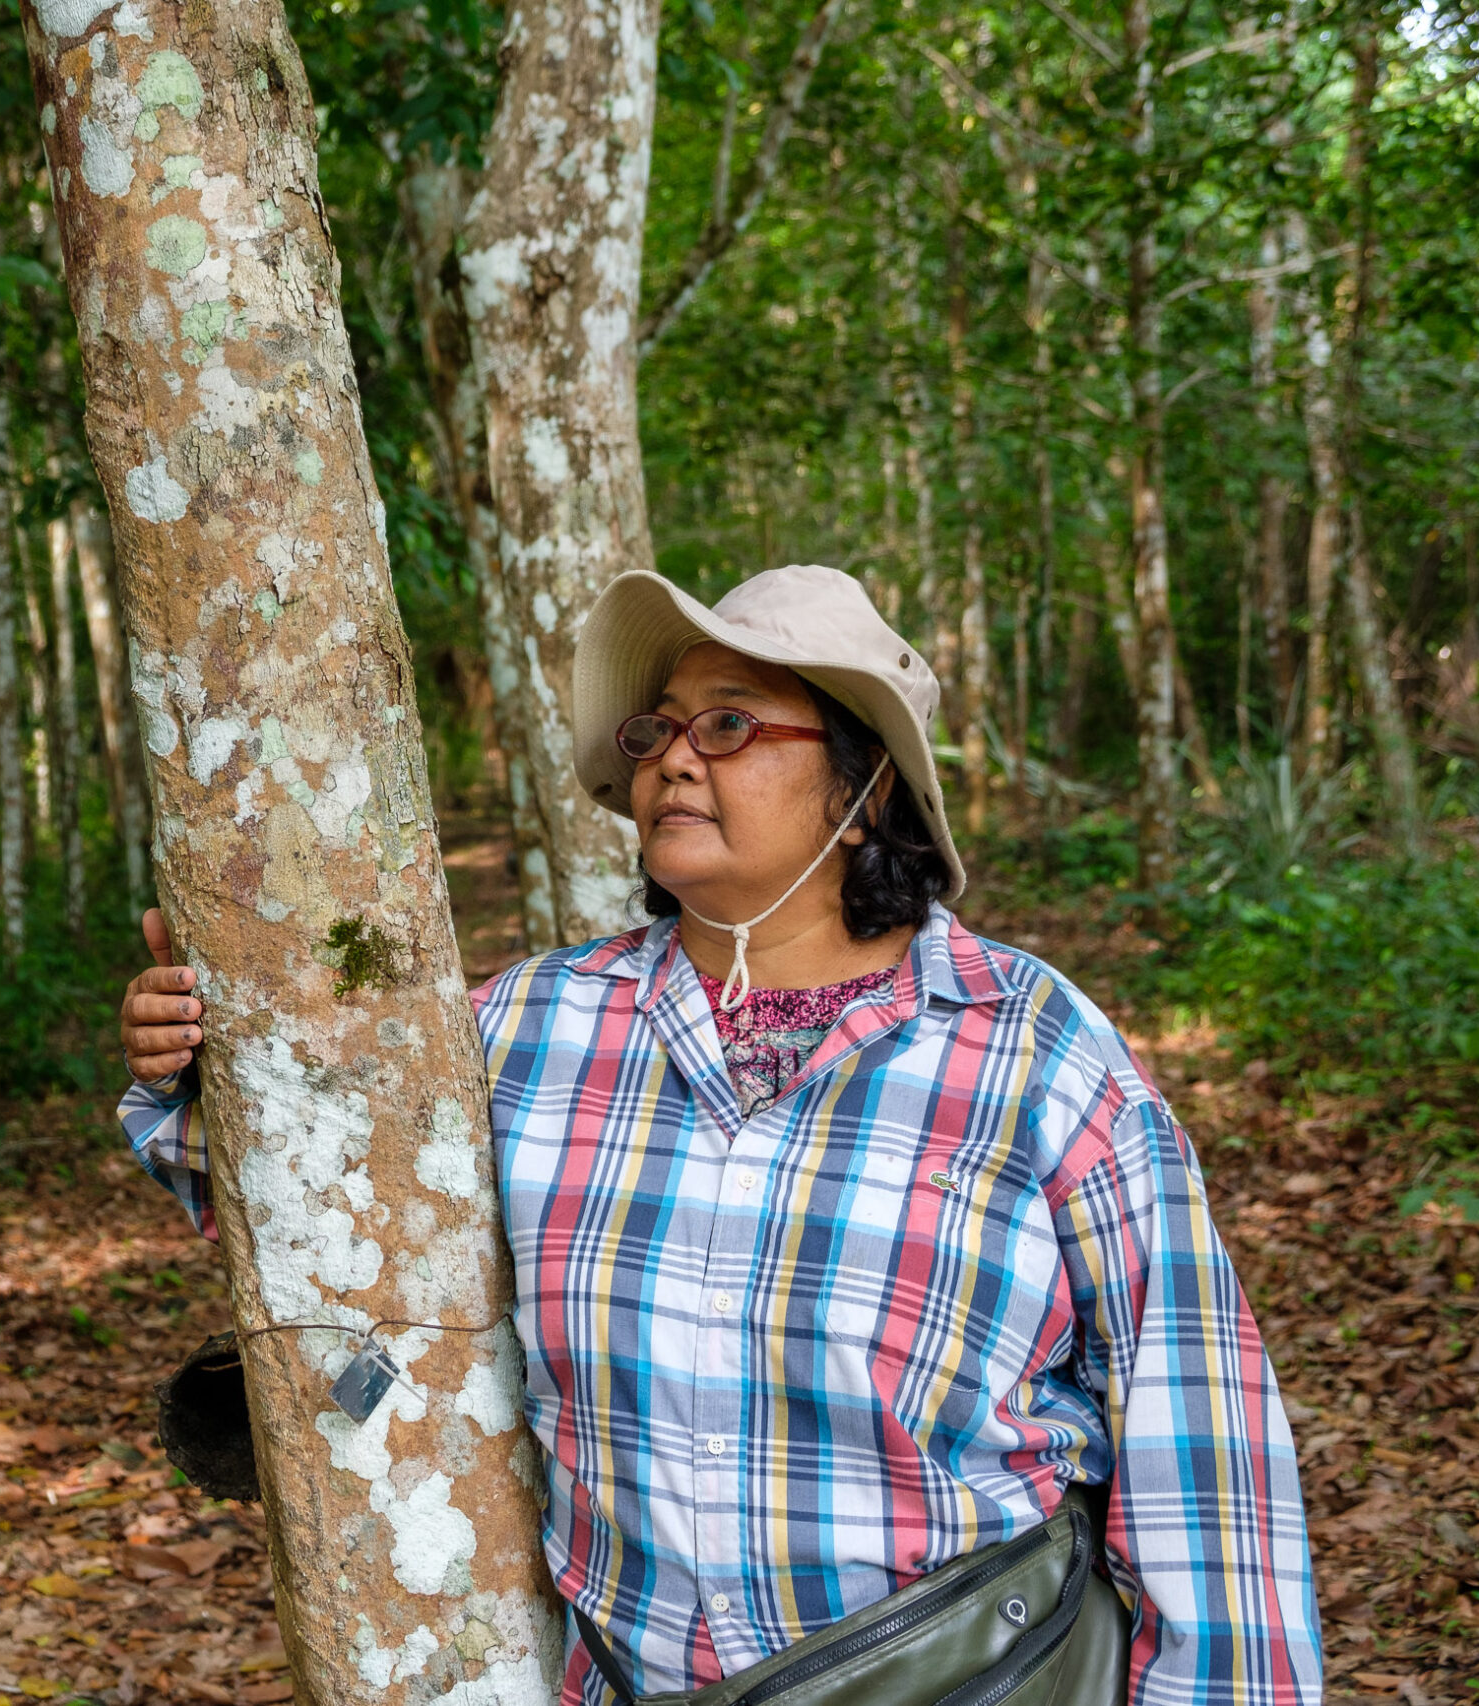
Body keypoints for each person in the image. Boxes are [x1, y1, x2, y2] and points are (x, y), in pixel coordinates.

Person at [114, 565, 1323, 1705]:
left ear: (868, 787)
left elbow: (1198, 1428)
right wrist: (210, 1067)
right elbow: (331, 1218)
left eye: (731, 726)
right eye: (656, 732)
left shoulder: (1031, 1048)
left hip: (973, 1669)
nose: (673, 758)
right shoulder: (528, 1023)